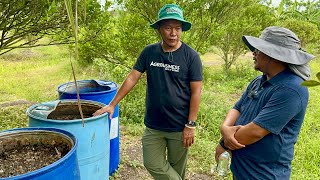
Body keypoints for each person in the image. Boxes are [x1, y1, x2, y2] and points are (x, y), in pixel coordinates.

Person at [93, 4, 202, 180]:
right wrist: (112, 104)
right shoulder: (149, 52)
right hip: (154, 125)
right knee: (152, 163)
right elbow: (132, 78)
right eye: (168, 28)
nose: (173, 33)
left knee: (177, 169)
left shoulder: (191, 56)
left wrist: (190, 125)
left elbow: (196, 92)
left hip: (179, 126)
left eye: (178, 28)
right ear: (159, 29)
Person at [215, 26, 315, 179]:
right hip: (243, 171)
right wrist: (225, 128)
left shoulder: (292, 89)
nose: (253, 53)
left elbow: (255, 132)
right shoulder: (259, 81)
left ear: (274, 55)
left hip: (264, 174)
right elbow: (238, 107)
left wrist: (223, 144)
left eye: (258, 50)